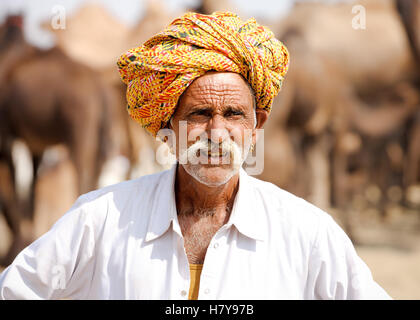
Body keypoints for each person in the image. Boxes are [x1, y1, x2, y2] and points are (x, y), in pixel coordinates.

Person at [0, 11, 390, 300]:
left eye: (234, 114)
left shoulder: (306, 233)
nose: (217, 133)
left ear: (256, 128)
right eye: (200, 114)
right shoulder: (100, 220)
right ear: (167, 131)